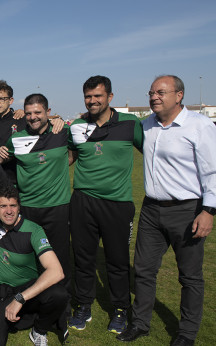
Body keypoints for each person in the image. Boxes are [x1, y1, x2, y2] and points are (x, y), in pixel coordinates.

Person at [117, 75, 216, 345]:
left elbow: (213, 171)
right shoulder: (146, 125)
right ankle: (140, 323)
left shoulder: (200, 125)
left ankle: (186, 333)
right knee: (143, 270)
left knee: (190, 276)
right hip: (151, 209)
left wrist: (209, 211)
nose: (154, 97)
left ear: (179, 95)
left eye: (160, 92)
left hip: (188, 210)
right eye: (151, 92)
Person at [68, 76, 143, 334]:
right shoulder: (77, 126)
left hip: (117, 204)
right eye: (88, 96)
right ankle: (83, 305)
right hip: (82, 202)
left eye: (98, 96)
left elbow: (155, 151)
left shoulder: (130, 124)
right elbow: (67, 156)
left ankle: (121, 309)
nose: (92, 101)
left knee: (118, 260)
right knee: (84, 259)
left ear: (110, 97)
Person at [0, 186, 67, 346]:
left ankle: (39, 330)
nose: (9, 211)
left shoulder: (33, 230)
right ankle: (13, 319)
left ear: (19, 207)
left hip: (26, 290)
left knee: (58, 294)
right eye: (3, 206)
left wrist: (20, 298)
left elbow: (56, 272)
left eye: (13, 206)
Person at [4, 94, 72, 292]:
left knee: (59, 256)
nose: (33, 117)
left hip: (58, 207)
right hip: (28, 208)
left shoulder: (62, 132)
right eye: (28, 113)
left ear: (48, 113)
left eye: (38, 112)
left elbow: (75, 153)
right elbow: (3, 154)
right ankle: (33, 300)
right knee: (31, 257)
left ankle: (62, 304)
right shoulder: (16, 139)